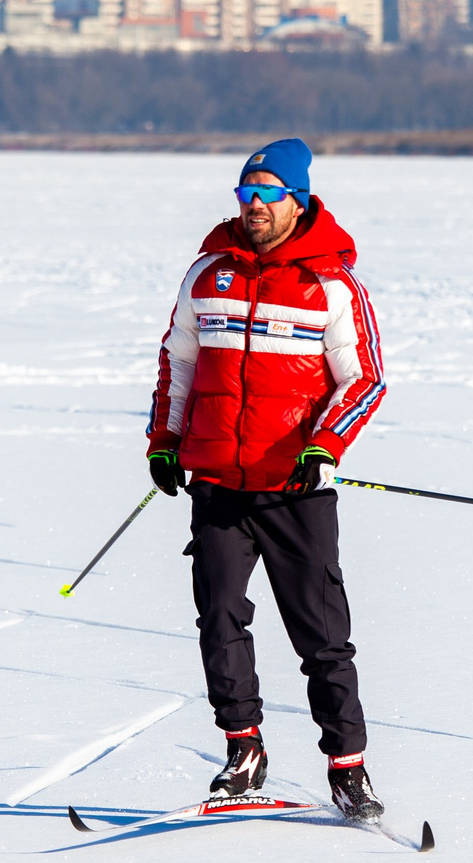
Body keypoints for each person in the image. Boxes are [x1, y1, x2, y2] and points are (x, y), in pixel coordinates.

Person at [146, 138, 389, 819]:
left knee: (320, 635)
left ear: (297, 200)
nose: (251, 205)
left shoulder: (331, 285)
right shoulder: (207, 272)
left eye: (265, 194)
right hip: (219, 482)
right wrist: (164, 443)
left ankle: (348, 767)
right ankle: (243, 748)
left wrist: (325, 444)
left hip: (294, 490)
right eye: (243, 193)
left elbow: (364, 378)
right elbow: (178, 362)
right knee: (219, 617)